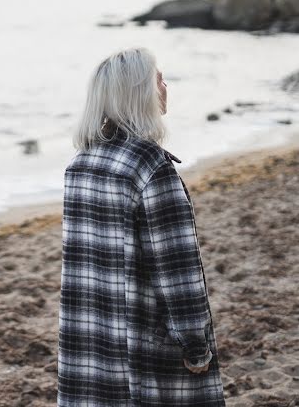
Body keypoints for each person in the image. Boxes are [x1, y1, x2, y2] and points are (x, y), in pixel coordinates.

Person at [58, 48, 225, 406]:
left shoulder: (80, 165)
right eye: (158, 79)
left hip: (90, 349)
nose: (166, 86)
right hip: (145, 353)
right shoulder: (152, 168)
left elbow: (79, 269)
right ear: (138, 93)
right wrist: (196, 345)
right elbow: (178, 273)